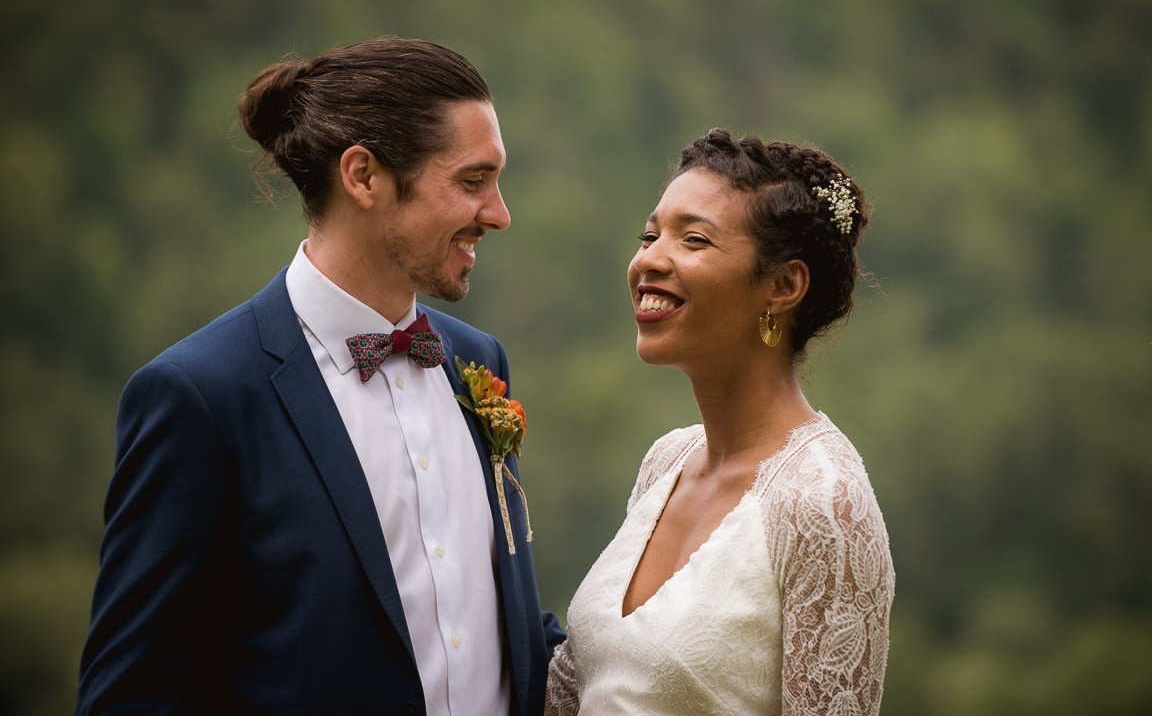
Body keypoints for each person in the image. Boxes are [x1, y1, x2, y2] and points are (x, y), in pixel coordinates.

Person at [76, 37, 564, 716]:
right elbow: (130, 696)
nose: (499, 214)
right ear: (362, 176)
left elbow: (492, 624)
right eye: (472, 181)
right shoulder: (200, 397)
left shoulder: (478, 363)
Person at [545, 129, 895, 715]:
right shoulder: (666, 462)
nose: (649, 259)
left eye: (694, 240)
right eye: (650, 235)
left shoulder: (823, 502)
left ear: (783, 286)